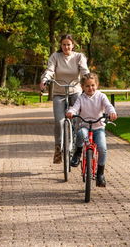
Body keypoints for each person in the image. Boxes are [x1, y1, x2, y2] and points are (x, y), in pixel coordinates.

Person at [39, 34, 89, 164]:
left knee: (78, 119)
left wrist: (88, 79)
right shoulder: (55, 57)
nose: (66, 47)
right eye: (64, 44)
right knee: (59, 121)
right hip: (59, 92)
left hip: (75, 91)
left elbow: (84, 70)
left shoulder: (79, 57)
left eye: (68, 44)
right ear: (60, 46)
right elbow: (50, 70)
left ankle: (78, 148)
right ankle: (58, 148)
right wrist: (45, 79)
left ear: (73, 45)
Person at [65, 73, 117, 187]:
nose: (90, 88)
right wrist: (71, 112)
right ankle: (78, 153)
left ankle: (100, 174)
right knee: (79, 134)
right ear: (82, 87)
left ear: (97, 85)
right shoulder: (81, 98)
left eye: (93, 85)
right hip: (85, 126)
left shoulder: (101, 96)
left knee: (102, 149)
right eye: (87, 86)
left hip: (98, 128)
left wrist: (112, 112)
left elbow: (108, 106)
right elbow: (75, 107)